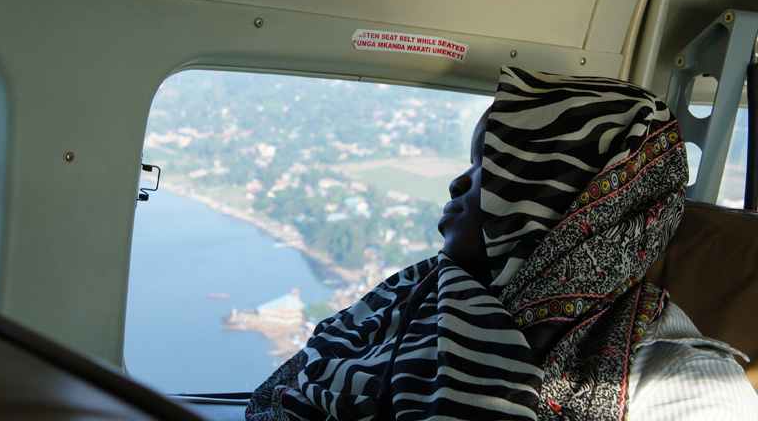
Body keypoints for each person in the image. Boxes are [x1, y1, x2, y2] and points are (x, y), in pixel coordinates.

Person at [246, 67, 758, 420]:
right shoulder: (420, 301)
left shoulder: (683, 379)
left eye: (488, 167)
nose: (459, 184)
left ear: (560, 196)